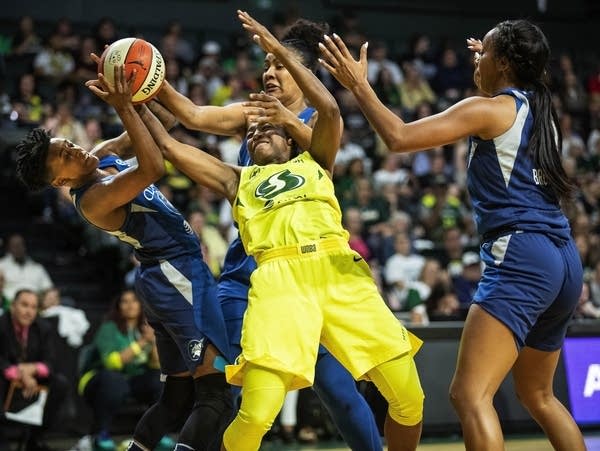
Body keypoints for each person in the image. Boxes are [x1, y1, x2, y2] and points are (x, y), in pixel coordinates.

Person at [143, 10, 424, 451]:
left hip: (320, 268)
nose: (268, 71)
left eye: (278, 63)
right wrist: (144, 78)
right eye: (267, 63)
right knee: (242, 395)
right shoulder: (253, 117)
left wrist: (276, 50)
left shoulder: (315, 124)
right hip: (253, 274)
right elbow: (192, 117)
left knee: (339, 392)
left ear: (303, 72)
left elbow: (327, 118)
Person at [320, 19, 585, 451]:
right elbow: (505, 96)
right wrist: (492, 65)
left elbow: (399, 137)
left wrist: (358, 84)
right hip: (564, 258)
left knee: (469, 394)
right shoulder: (541, 109)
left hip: (522, 253)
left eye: (484, 54)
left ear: (503, 63)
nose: (475, 59)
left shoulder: (491, 109)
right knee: (540, 395)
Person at [14, 66, 232, 451]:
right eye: (66, 155)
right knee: (217, 392)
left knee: (177, 398)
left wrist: (141, 88)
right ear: (60, 182)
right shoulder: (95, 201)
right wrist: (123, 108)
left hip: (166, 277)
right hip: (174, 274)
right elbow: (153, 166)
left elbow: (157, 126)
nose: (76, 149)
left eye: (69, 144)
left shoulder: (100, 156)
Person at [78, 289, 170, 451]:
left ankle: (156, 433)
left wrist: (153, 340)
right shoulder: (109, 328)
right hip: (100, 378)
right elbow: (112, 363)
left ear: (141, 305)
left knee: (158, 379)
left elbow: (156, 365)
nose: (129, 305)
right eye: (124, 301)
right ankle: (101, 434)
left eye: (134, 301)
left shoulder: (146, 328)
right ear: (118, 306)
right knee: (114, 380)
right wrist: (142, 342)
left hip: (131, 380)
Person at [0, 289, 69, 451]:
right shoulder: (1, 325)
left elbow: (50, 362)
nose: (29, 311)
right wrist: (18, 374)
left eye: (33, 307)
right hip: (4, 378)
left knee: (60, 384)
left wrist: (31, 369)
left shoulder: (42, 327)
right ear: (13, 306)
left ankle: (35, 438)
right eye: (24, 305)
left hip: (32, 379)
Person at [0, 233, 53, 301]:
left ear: (25, 246)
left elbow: (48, 289)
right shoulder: (1, 265)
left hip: (35, 305)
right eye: (14, 245)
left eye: (20, 244)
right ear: (8, 248)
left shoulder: (37, 268)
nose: (18, 248)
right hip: (8, 305)